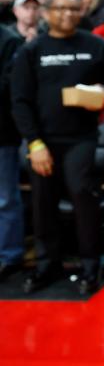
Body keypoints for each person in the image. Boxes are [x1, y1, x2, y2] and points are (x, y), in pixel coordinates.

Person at [11, 0, 104, 295]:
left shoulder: (95, 45)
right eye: (62, 8)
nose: (68, 14)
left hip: (81, 139)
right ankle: (47, 266)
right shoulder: (32, 50)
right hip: (42, 141)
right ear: (48, 12)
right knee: (43, 203)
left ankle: (90, 265)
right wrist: (34, 143)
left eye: (75, 8)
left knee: (82, 195)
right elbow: (20, 101)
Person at [0, 24, 25, 281]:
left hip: (3, 132)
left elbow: (9, 89)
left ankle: (10, 256)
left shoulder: (9, 41)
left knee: (5, 198)